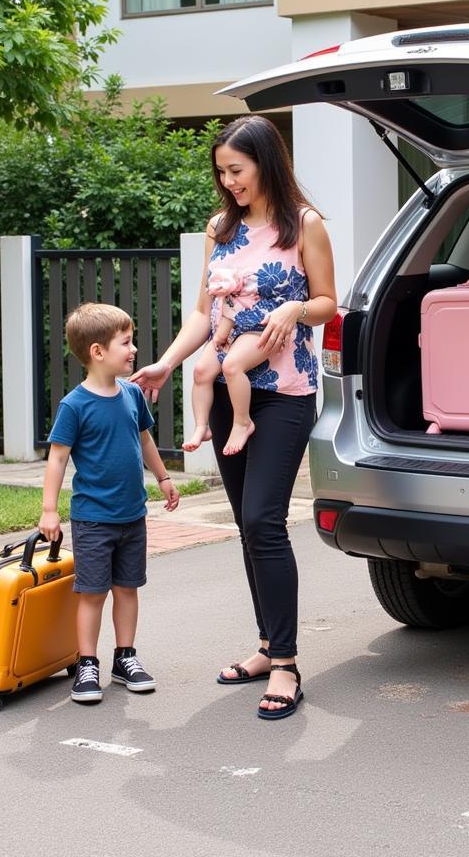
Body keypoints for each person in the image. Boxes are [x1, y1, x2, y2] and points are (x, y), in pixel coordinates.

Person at [130, 115, 336, 720]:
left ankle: (287, 664)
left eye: (236, 171)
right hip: (228, 390)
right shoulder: (219, 229)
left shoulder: (305, 225)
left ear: (265, 163)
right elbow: (203, 311)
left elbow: (328, 302)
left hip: (286, 393)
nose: (228, 181)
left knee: (263, 520)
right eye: (221, 172)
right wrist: (169, 362)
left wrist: (297, 305)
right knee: (249, 528)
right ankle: (268, 644)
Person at [40, 302, 180, 704]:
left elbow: (145, 439)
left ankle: (125, 658)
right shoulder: (75, 405)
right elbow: (58, 458)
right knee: (92, 593)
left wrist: (164, 478)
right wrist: (49, 510)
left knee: (128, 588)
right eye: (126, 342)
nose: (133, 349)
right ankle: (87, 664)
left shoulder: (133, 394)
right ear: (97, 351)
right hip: (93, 519)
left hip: (132, 515)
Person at [182, 264, 264, 455]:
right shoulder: (221, 294)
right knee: (201, 370)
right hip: (225, 336)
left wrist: (221, 333)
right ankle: (201, 426)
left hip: (250, 330)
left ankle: (243, 421)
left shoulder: (245, 290)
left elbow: (235, 312)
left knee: (231, 367)